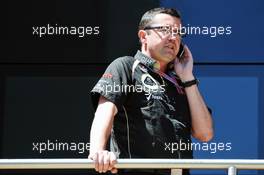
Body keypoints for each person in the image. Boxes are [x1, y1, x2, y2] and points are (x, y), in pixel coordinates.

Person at [88, 7, 214, 175]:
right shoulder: (126, 66)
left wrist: (188, 77)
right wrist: (98, 151)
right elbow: (104, 112)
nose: (173, 37)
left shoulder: (181, 82)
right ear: (143, 36)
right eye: (165, 30)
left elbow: (205, 134)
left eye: (178, 32)